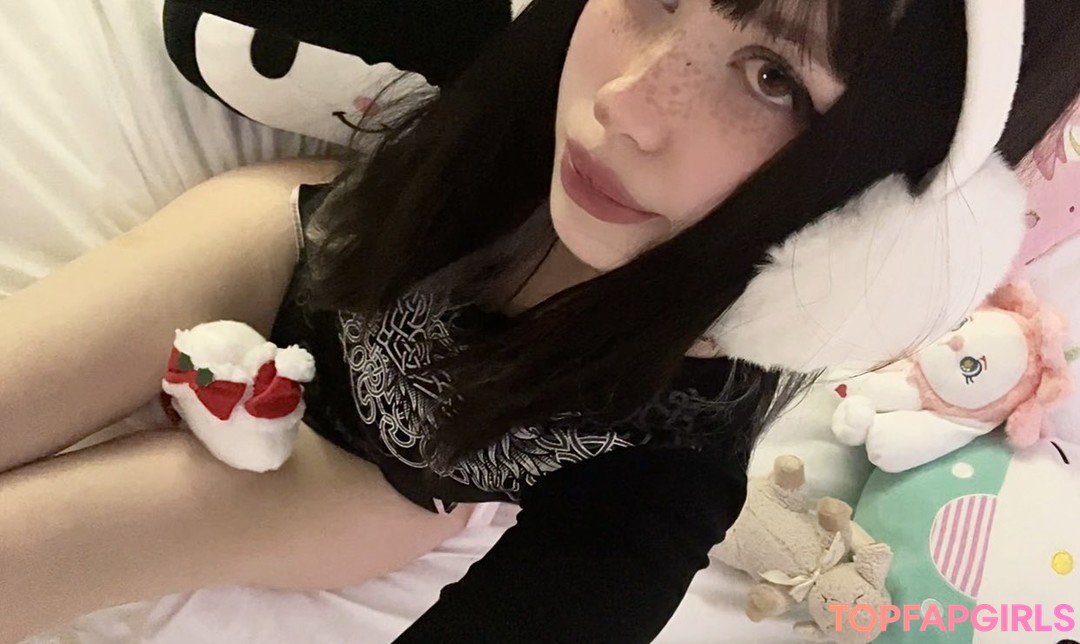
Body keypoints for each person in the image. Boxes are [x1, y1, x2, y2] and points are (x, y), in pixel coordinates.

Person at [1, 0, 1079, 641]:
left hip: (359, 482)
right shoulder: (532, 35)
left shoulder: (679, 444)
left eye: (772, 76)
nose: (628, 105)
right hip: (296, 251)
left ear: (877, 219)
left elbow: (591, 588)